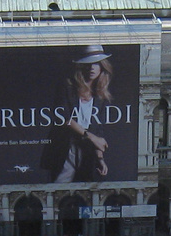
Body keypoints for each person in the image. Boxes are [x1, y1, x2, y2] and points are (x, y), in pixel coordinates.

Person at [41, 46, 116, 182]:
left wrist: (100, 158)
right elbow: (63, 118)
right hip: (66, 148)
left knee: (85, 193)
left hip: (88, 151)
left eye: (96, 63)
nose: (92, 68)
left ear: (102, 67)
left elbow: (98, 130)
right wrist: (90, 137)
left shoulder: (101, 95)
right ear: (82, 66)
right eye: (88, 63)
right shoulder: (68, 86)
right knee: (59, 190)